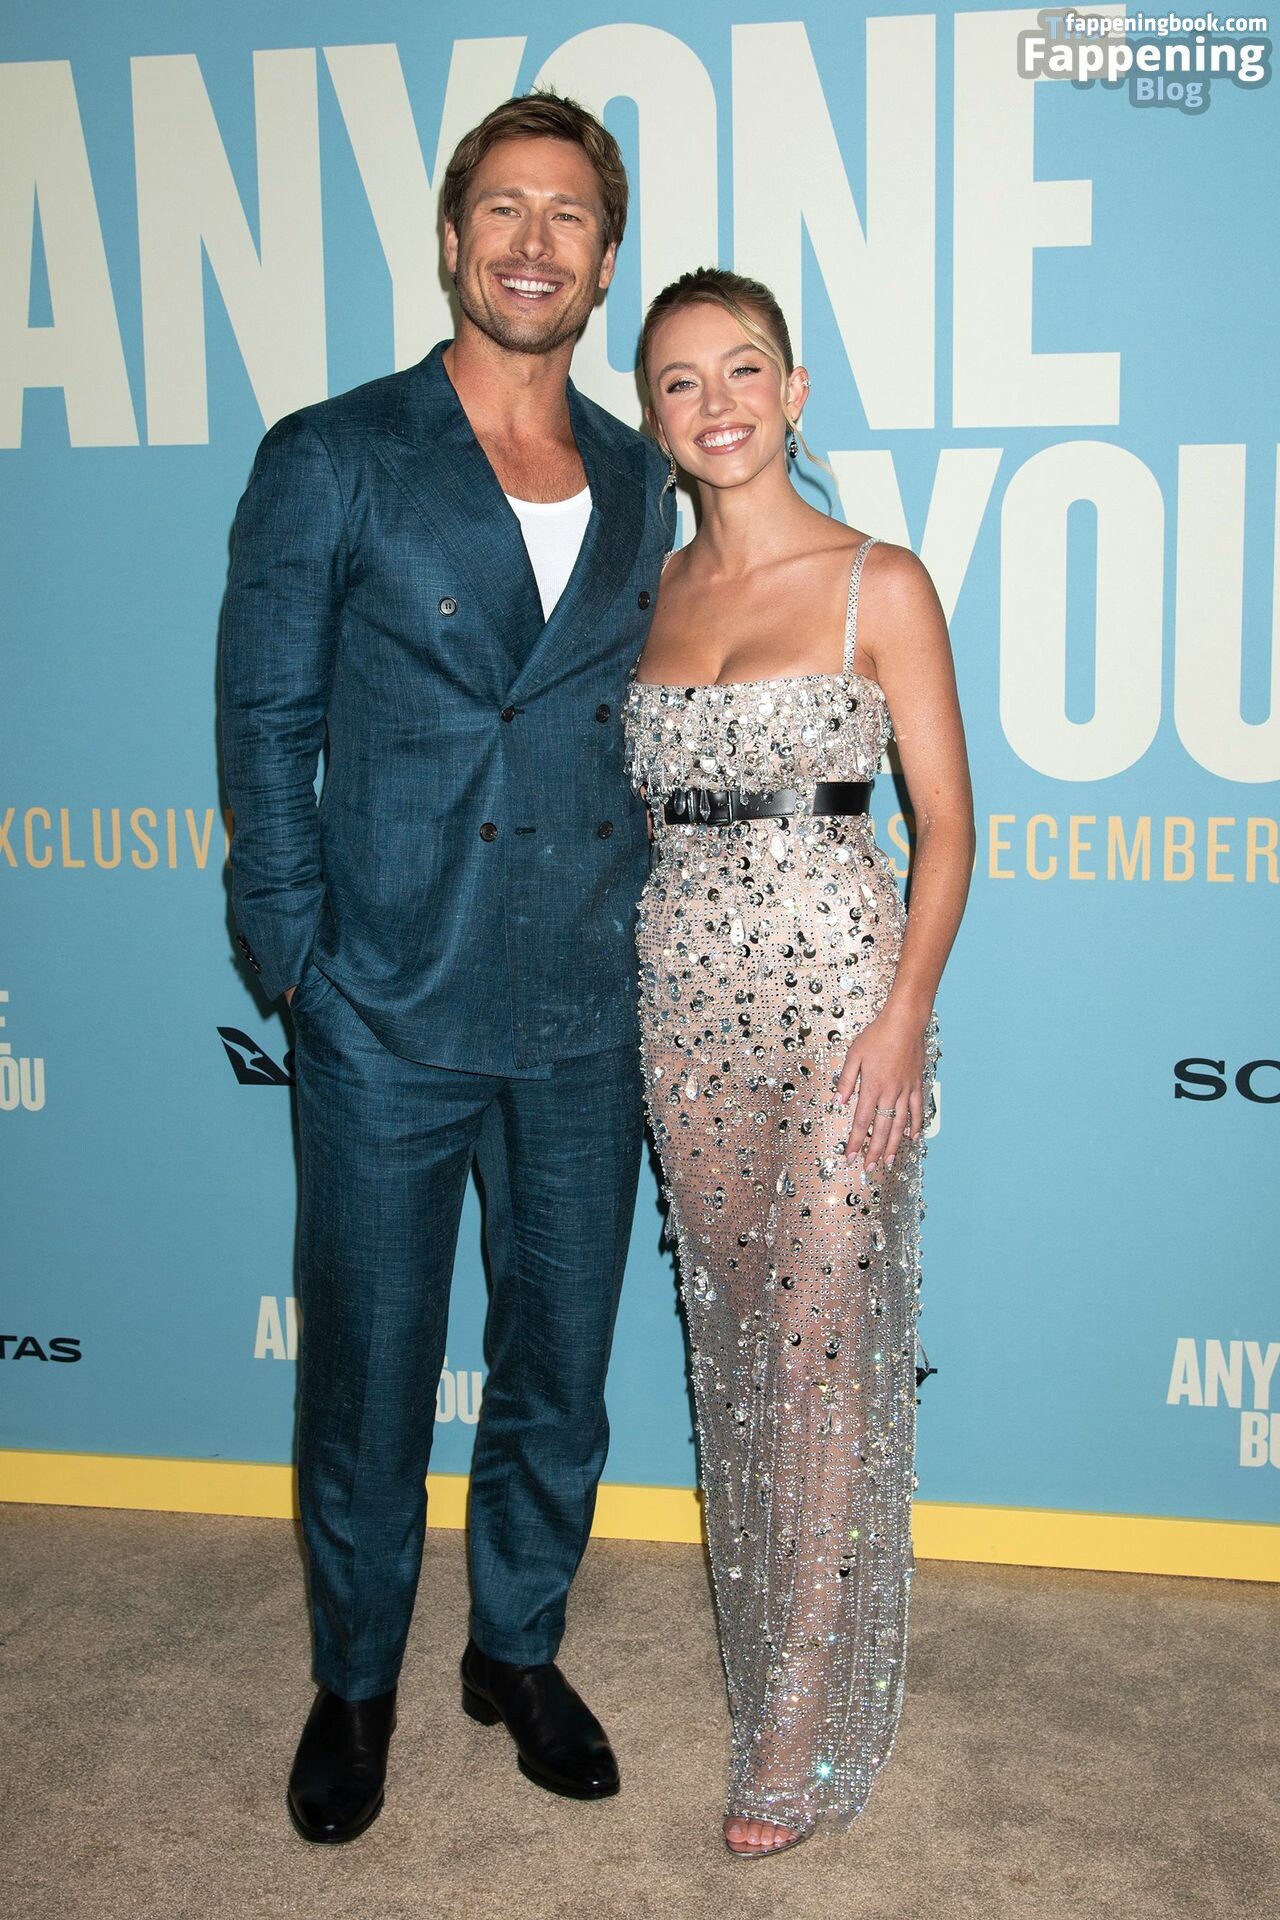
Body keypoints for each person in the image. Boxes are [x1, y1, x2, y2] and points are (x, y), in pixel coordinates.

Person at [220, 93, 675, 1843]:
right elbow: (265, 721)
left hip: (585, 1007)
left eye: (569, 217)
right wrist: (298, 957)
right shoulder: (335, 452)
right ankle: (356, 1682)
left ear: (605, 262)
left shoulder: (641, 473)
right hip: (385, 1006)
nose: (534, 243)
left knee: (560, 1365)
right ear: (451, 238)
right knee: (370, 1370)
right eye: (504, 208)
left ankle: (516, 1648)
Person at [624, 268, 974, 1856]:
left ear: (796, 390)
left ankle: (791, 1722)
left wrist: (902, 1016)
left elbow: (947, 829)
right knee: (735, 1344)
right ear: (655, 416)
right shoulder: (647, 593)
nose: (719, 404)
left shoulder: (875, 583)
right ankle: (771, 1645)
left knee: (821, 1347)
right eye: (682, 381)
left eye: (744, 369)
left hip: (842, 1005)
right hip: (682, 1007)